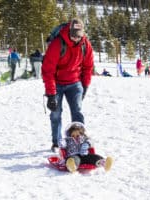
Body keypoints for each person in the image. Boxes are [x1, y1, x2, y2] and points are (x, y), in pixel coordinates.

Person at [42, 17, 94, 152]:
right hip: (57, 83)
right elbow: (48, 70)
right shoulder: (57, 44)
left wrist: (85, 86)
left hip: (75, 83)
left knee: (77, 112)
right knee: (55, 113)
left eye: (78, 36)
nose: (75, 39)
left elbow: (88, 67)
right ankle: (57, 143)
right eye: (73, 35)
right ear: (69, 31)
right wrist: (51, 94)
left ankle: (80, 140)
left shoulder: (85, 45)